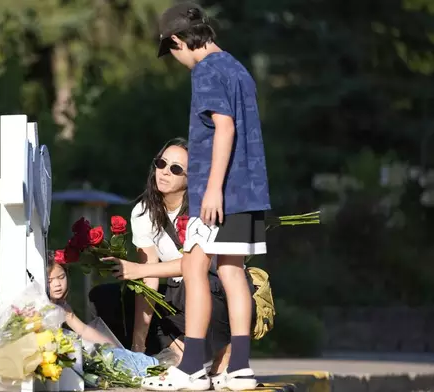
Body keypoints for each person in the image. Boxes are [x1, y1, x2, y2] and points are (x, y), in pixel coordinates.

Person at [141, 3, 272, 391]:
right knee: (232, 272)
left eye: (173, 51)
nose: (177, 59)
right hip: (248, 190)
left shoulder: (206, 70)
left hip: (218, 192)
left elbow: (224, 127)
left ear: (178, 41)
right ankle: (241, 368)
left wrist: (212, 187)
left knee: (193, 267)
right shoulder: (237, 68)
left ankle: (192, 367)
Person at [91, 138, 236, 388]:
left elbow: (195, 265)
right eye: (161, 163)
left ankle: (220, 358)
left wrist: (139, 269)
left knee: (202, 284)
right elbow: (148, 281)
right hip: (175, 297)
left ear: (190, 179)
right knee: (109, 296)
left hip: (216, 295)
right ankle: (178, 355)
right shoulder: (143, 212)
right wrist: (137, 348)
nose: (165, 172)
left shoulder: (205, 209)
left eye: (176, 169)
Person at [46, 251, 117, 346]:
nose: (57, 284)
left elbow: (83, 330)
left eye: (61, 277)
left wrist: (114, 348)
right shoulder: (37, 308)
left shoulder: (63, 307)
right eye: (50, 281)